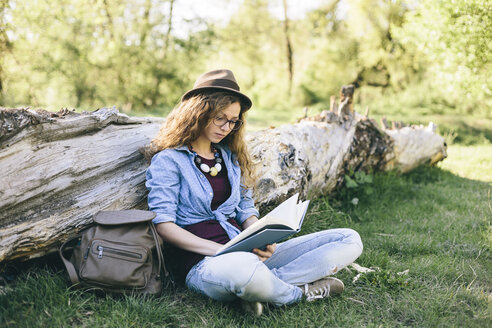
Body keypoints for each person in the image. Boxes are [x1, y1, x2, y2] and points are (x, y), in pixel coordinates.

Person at [145, 69, 363, 316]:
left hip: (247, 252)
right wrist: (220, 251)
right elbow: (164, 225)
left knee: (349, 239)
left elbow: (245, 209)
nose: (227, 127)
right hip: (205, 264)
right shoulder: (169, 161)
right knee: (244, 269)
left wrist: (261, 237)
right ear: (199, 112)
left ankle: (261, 288)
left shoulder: (228, 157)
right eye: (220, 118)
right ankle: (298, 293)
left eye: (233, 120)